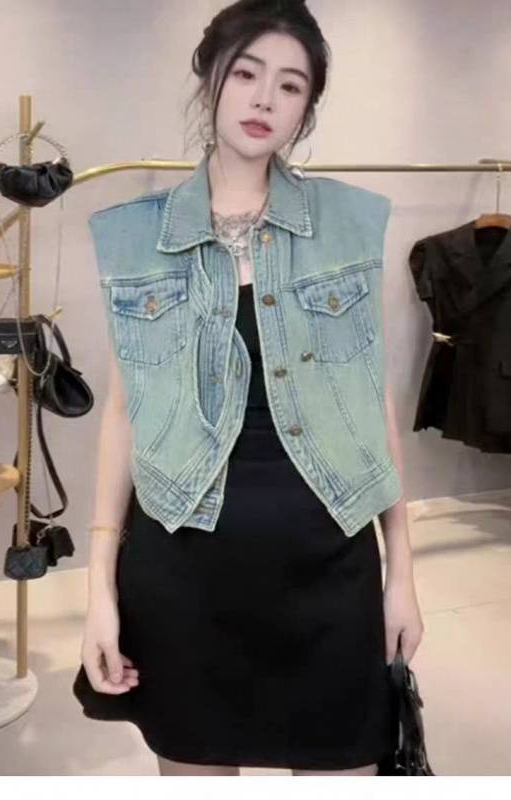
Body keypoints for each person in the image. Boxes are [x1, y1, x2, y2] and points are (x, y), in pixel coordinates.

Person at [74, 0, 424, 777]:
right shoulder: (135, 236)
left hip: (328, 563)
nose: (266, 99)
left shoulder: (349, 223)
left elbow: (372, 403)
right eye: (247, 74)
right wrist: (99, 591)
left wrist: (401, 572)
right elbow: (125, 413)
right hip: (183, 572)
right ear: (210, 80)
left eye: (292, 85)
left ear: (307, 108)